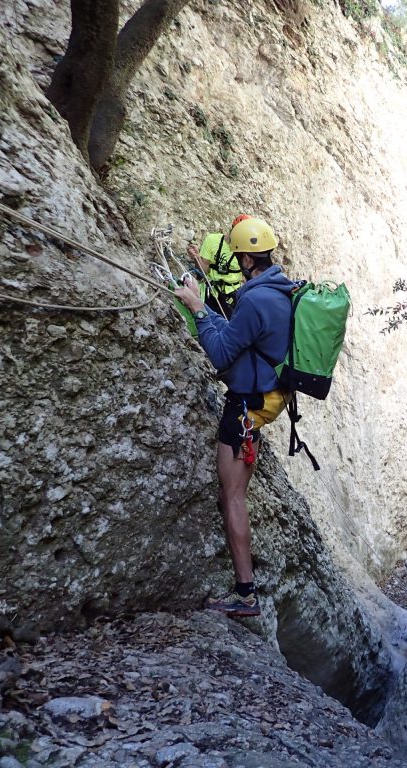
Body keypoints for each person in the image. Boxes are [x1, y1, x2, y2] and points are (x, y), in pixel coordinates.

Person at [174, 216, 295, 617]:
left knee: (233, 496)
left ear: (245, 259)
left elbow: (222, 352)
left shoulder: (255, 300)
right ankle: (245, 592)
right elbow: (238, 337)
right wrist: (205, 306)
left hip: (245, 407)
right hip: (264, 400)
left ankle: (245, 594)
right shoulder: (280, 290)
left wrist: (197, 308)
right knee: (235, 494)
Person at [185, 214, 250, 318]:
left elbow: (249, 277)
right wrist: (197, 258)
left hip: (231, 295)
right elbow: (204, 271)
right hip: (210, 291)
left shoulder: (245, 251)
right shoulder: (212, 240)